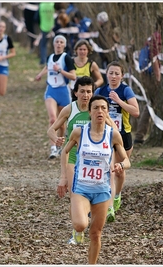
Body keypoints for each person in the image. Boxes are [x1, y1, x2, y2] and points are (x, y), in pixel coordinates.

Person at [57, 95, 131, 264]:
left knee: (96, 234)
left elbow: (127, 160)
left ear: (107, 113)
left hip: (102, 191)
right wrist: (63, 177)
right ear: (89, 112)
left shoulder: (113, 135)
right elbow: (65, 151)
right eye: (96, 108)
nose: (100, 111)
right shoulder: (79, 132)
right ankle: (78, 228)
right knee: (81, 225)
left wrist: (121, 165)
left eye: (103, 108)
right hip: (81, 188)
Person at [48, 76, 116, 244]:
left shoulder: (97, 110)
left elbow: (114, 133)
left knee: (95, 196)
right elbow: (51, 129)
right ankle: (77, 232)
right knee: (74, 194)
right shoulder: (69, 109)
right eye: (83, 91)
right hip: (73, 158)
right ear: (76, 93)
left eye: (89, 92)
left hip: (96, 160)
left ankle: (94, 222)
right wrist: (56, 139)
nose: (86, 95)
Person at [94, 61, 139, 222]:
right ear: (106, 74)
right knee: (110, 170)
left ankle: (117, 195)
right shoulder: (100, 90)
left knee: (119, 171)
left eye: (116, 73)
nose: (113, 76)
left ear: (122, 75)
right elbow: (91, 111)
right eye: (111, 73)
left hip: (123, 135)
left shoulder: (125, 90)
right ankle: (110, 206)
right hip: (106, 136)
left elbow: (136, 112)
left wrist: (119, 101)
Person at [35, 35, 76, 159]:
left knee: (62, 124)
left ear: (64, 45)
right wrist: (40, 74)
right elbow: (48, 66)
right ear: (54, 44)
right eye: (57, 42)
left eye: (61, 42)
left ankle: (59, 145)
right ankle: (53, 148)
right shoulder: (50, 57)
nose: (58, 44)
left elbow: (73, 76)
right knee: (53, 119)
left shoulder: (67, 58)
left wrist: (60, 71)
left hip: (63, 91)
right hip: (51, 90)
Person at [134, 15, 163, 144]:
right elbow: (155, 58)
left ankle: (141, 134)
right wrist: (158, 77)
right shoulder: (158, 38)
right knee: (153, 103)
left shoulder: (152, 36)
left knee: (151, 103)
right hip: (152, 75)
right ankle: (140, 134)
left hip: (146, 74)